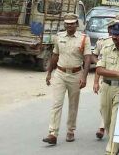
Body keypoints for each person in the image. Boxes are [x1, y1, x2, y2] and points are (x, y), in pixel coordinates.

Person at [42, 13, 92, 145]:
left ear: (77, 24)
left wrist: (84, 76)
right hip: (60, 73)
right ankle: (53, 133)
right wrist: (49, 73)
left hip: (76, 74)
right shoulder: (59, 37)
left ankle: (70, 130)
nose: (70, 25)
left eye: (72, 23)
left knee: (73, 104)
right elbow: (54, 55)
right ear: (65, 25)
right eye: (67, 23)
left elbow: (87, 59)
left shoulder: (84, 39)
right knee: (56, 103)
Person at [92, 15, 119, 140]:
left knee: (115, 120)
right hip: (107, 86)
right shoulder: (106, 45)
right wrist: (96, 82)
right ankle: (111, 136)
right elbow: (98, 67)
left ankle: (112, 148)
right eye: (113, 33)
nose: (114, 37)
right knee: (107, 118)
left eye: (118, 34)